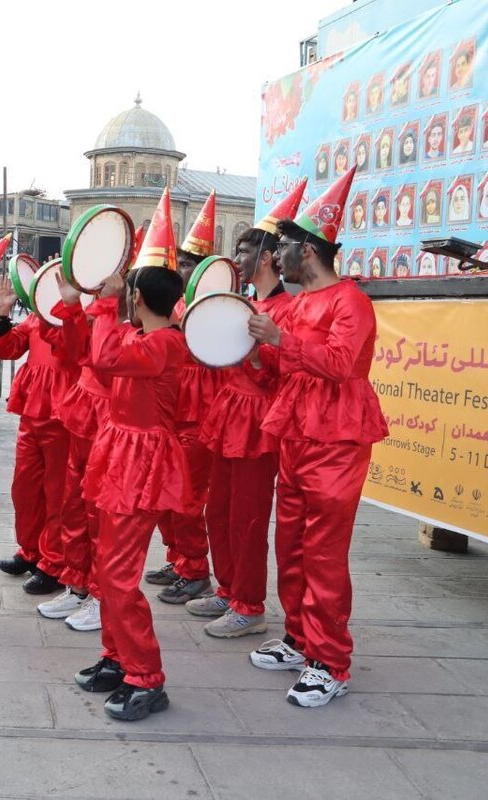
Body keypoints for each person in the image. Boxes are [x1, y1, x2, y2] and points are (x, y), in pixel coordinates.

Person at [245, 166, 387, 708]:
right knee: (292, 542)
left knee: (324, 551)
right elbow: (286, 367)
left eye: (282, 247)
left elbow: (340, 364)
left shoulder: (350, 301)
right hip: (298, 432)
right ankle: (299, 637)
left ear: (307, 251)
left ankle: (331, 661)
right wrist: (259, 352)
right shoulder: (301, 302)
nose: (274, 256)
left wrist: (280, 340)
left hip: (337, 436)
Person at [72, 261, 190, 723]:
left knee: (119, 574)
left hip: (141, 464)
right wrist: (96, 310)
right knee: (107, 567)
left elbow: (104, 358)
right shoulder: (140, 337)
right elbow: (96, 358)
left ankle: (146, 676)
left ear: (136, 298)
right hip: (121, 455)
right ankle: (117, 656)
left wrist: (106, 306)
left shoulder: (165, 343)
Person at [194, 184, 302, 639]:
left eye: (242, 251)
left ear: (266, 257)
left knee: (249, 517)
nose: (235, 259)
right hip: (230, 412)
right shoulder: (244, 304)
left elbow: (289, 368)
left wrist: (261, 356)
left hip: (259, 418)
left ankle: (249, 604)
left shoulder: (286, 309)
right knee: (217, 509)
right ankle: (228, 587)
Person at [150, 193, 219, 604]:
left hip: (199, 412)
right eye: (182, 263)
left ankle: (195, 569)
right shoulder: (172, 303)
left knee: (188, 496)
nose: (183, 270)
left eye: (191, 264)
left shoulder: (218, 305)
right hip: (169, 407)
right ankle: (177, 558)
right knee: (163, 492)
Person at [0, 272, 74, 600]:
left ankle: (55, 562)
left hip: (63, 417)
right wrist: (1, 313)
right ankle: (31, 550)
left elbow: (70, 350)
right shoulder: (35, 320)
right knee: (25, 487)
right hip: (32, 416)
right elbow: (6, 347)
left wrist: (62, 313)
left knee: (58, 493)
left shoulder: (77, 322)